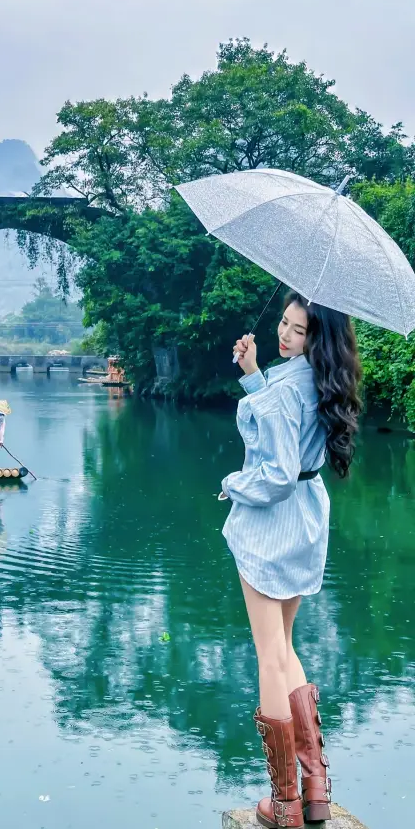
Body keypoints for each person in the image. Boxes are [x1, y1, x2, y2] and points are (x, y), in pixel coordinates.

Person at [220, 290, 362, 829]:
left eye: (298, 330)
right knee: (285, 645)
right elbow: (290, 438)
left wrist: (233, 483)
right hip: (306, 518)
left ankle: (284, 803)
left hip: (271, 525)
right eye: (283, 322)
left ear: (316, 339)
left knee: (269, 655)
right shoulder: (323, 382)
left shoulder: (288, 388)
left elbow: (274, 474)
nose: (284, 334)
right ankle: (316, 788)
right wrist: (255, 373)